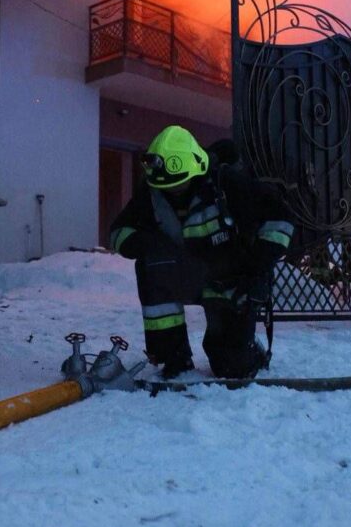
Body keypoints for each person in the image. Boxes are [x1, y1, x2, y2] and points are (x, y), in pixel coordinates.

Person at [109, 125, 294, 379]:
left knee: (231, 369)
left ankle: (248, 353)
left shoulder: (227, 183)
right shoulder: (152, 191)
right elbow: (118, 231)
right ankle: (173, 356)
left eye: (179, 185)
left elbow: (280, 217)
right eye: (166, 187)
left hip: (232, 282)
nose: (172, 192)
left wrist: (257, 264)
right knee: (151, 264)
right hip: (186, 275)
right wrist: (148, 246)